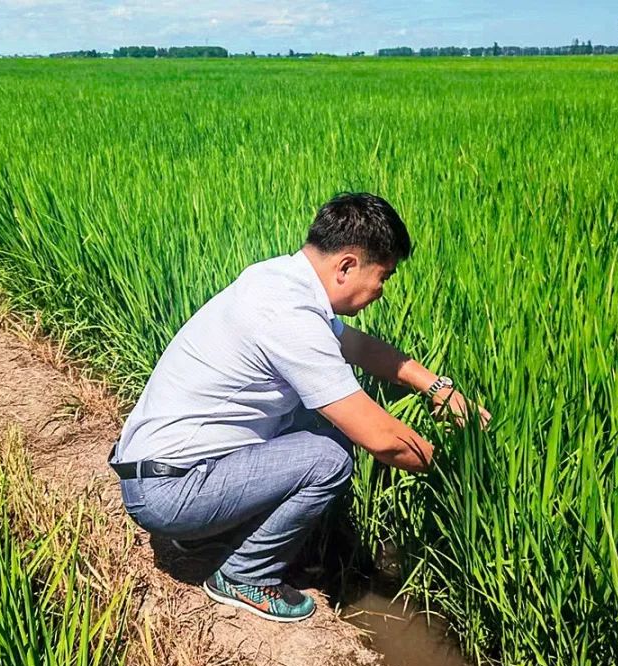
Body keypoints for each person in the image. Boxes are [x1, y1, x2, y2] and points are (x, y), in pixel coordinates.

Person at [108, 192, 491, 623]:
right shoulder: (289, 317)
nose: (382, 291)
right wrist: (467, 473)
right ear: (347, 266)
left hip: (155, 469)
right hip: (168, 493)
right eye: (383, 276)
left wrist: (436, 386)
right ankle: (243, 574)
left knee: (314, 420)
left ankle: (207, 534)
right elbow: (383, 441)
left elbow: (358, 346)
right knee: (328, 456)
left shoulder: (280, 279)